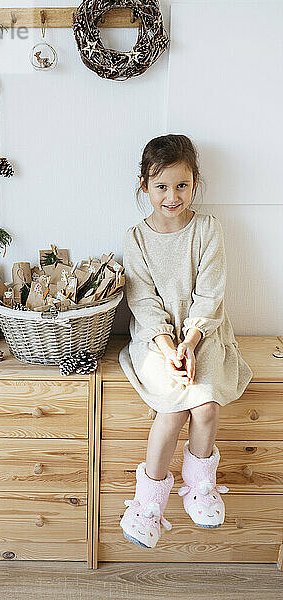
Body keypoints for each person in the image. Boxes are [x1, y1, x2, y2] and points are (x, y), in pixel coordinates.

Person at [119, 134, 253, 549]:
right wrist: (167, 346)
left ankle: (200, 486)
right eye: (161, 186)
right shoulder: (136, 238)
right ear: (145, 186)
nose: (172, 195)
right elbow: (141, 298)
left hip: (204, 331)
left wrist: (191, 342)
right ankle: (147, 506)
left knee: (206, 405)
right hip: (155, 337)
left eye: (181, 185)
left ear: (194, 183)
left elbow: (211, 294)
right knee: (173, 409)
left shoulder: (208, 230)